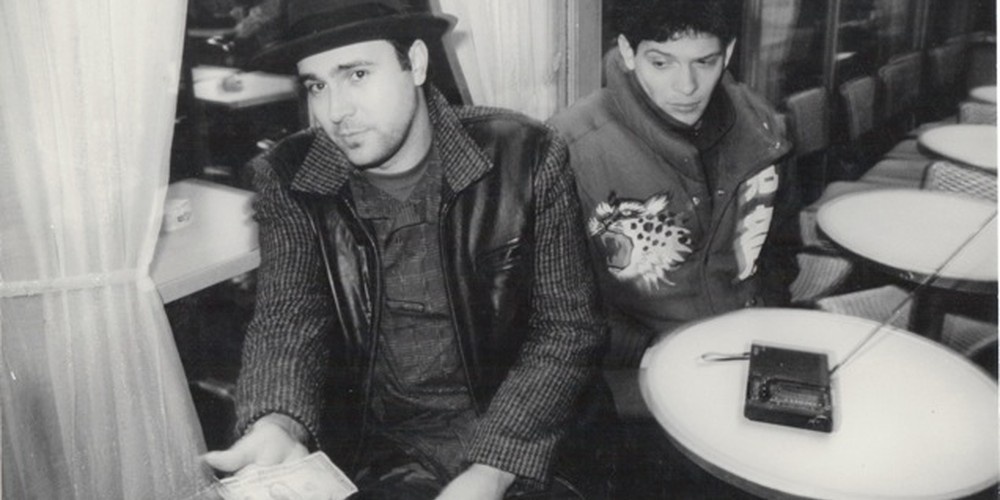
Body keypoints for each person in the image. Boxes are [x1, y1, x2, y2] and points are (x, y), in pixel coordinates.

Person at [202, 0, 608, 498]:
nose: (335, 112)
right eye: (317, 85)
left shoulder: (525, 154)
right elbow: (288, 318)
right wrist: (276, 422)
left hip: (526, 436)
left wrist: (492, 469)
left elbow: (568, 329)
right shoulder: (290, 178)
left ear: (415, 62)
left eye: (356, 74)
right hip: (387, 455)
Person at [549, 0, 800, 364]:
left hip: (749, 343)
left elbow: (781, 249)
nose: (686, 86)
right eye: (661, 63)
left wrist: (764, 315)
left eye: (704, 62)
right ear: (628, 52)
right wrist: (643, 350)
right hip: (636, 367)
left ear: (728, 53)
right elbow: (555, 305)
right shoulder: (569, 149)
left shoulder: (763, 129)